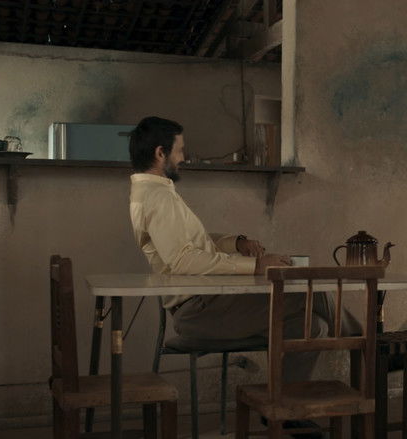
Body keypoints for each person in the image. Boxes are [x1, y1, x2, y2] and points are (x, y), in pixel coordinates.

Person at [128, 117, 354, 436]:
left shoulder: (153, 193)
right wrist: (257, 266)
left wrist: (236, 243)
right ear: (160, 153)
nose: (184, 157)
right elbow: (184, 260)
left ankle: (283, 408)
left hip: (207, 305)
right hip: (199, 312)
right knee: (309, 290)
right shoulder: (157, 197)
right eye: (180, 150)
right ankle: (372, 348)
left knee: (311, 326)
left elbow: (192, 244)